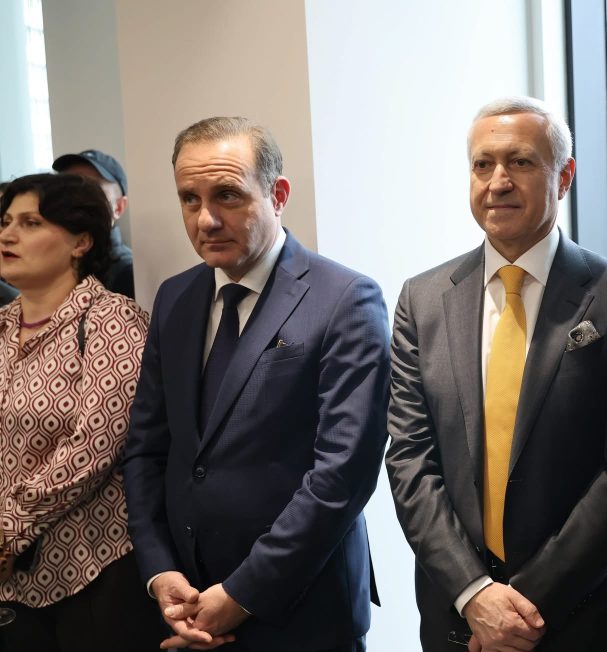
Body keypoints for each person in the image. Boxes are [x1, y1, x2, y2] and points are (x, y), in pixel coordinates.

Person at [386, 96, 607, 652]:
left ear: (564, 176)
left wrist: (522, 607)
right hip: (459, 621)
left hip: (586, 618)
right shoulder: (422, 300)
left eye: (520, 162)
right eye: (482, 164)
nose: (498, 182)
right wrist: (474, 594)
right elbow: (410, 460)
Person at [121, 116, 390, 652]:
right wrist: (160, 571)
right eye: (189, 199)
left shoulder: (345, 299)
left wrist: (242, 594)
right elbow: (147, 449)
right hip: (189, 602)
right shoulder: (175, 297)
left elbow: (343, 473)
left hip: (301, 612)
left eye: (227, 195)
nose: (206, 219)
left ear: (278, 194)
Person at [0, 173, 162, 651]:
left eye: (31, 223)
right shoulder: (3, 325)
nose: (8, 234)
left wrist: (7, 530)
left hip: (92, 568)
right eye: (5, 221)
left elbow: (92, 447)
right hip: (13, 581)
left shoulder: (113, 320)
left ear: (81, 241)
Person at [52, 149, 134, 298]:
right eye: (67, 187)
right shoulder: (49, 261)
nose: (75, 197)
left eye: (91, 188)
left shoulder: (127, 271)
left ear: (119, 207)